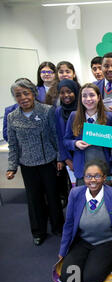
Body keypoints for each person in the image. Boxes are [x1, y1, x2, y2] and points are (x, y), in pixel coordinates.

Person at [6, 78, 64, 245]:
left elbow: (55, 136)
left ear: (33, 93)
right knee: (34, 199)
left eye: (26, 93)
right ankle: (38, 231)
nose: (23, 97)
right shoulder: (12, 117)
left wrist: (60, 157)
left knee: (53, 197)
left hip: (48, 162)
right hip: (27, 164)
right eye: (18, 95)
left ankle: (57, 227)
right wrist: (12, 167)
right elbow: (13, 144)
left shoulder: (47, 111)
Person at [58, 159, 112, 282]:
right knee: (69, 278)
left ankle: (107, 259)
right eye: (88, 176)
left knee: (91, 279)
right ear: (84, 177)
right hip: (84, 241)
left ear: (104, 177)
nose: (93, 180)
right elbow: (69, 224)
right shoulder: (75, 194)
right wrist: (63, 251)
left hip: (108, 241)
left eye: (97, 176)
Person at [63, 83, 112, 186]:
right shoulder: (74, 116)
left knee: (104, 199)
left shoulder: (109, 117)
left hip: (104, 167)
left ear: (99, 97)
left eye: (92, 95)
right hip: (83, 168)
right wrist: (76, 143)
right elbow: (66, 140)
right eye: (84, 96)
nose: (88, 99)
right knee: (84, 199)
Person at [55, 79, 79, 200]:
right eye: (62, 92)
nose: (66, 95)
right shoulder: (58, 111)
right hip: (68, 156)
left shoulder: (82, 108)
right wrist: (66, 159)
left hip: (84, 153)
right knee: (76, 190)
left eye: (69, 91)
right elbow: (59, 137)